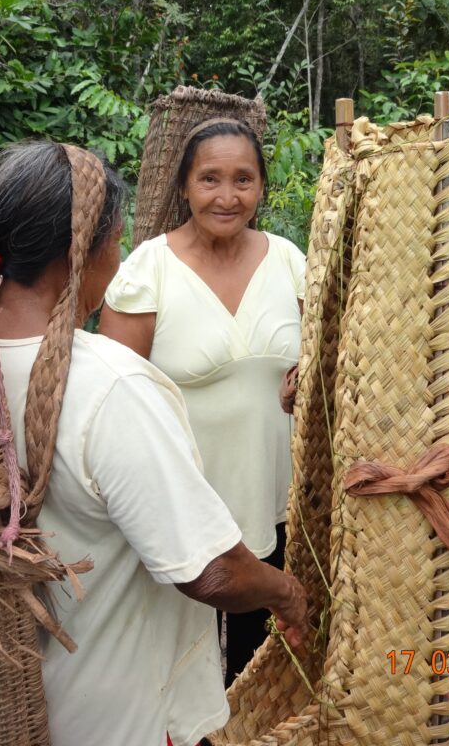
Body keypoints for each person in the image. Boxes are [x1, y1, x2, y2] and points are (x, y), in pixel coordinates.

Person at [0, 140, 307, 746]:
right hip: (120, 715)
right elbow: (210, 573)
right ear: (85, 251)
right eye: (114, 242)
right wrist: (285, 592)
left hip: (2, 703)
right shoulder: (111, 386)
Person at [100, 118, 305, 685]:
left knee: (256, 670)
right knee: (180, 671)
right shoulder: (149, 269)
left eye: (243, 179)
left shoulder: (288, 260)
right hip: (180, 510)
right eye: (209, 179)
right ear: (184, 188)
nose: (226, 195)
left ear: (262, 187)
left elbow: (323, 359)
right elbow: (115, 394)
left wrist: (301, 379)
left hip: (273, 500)